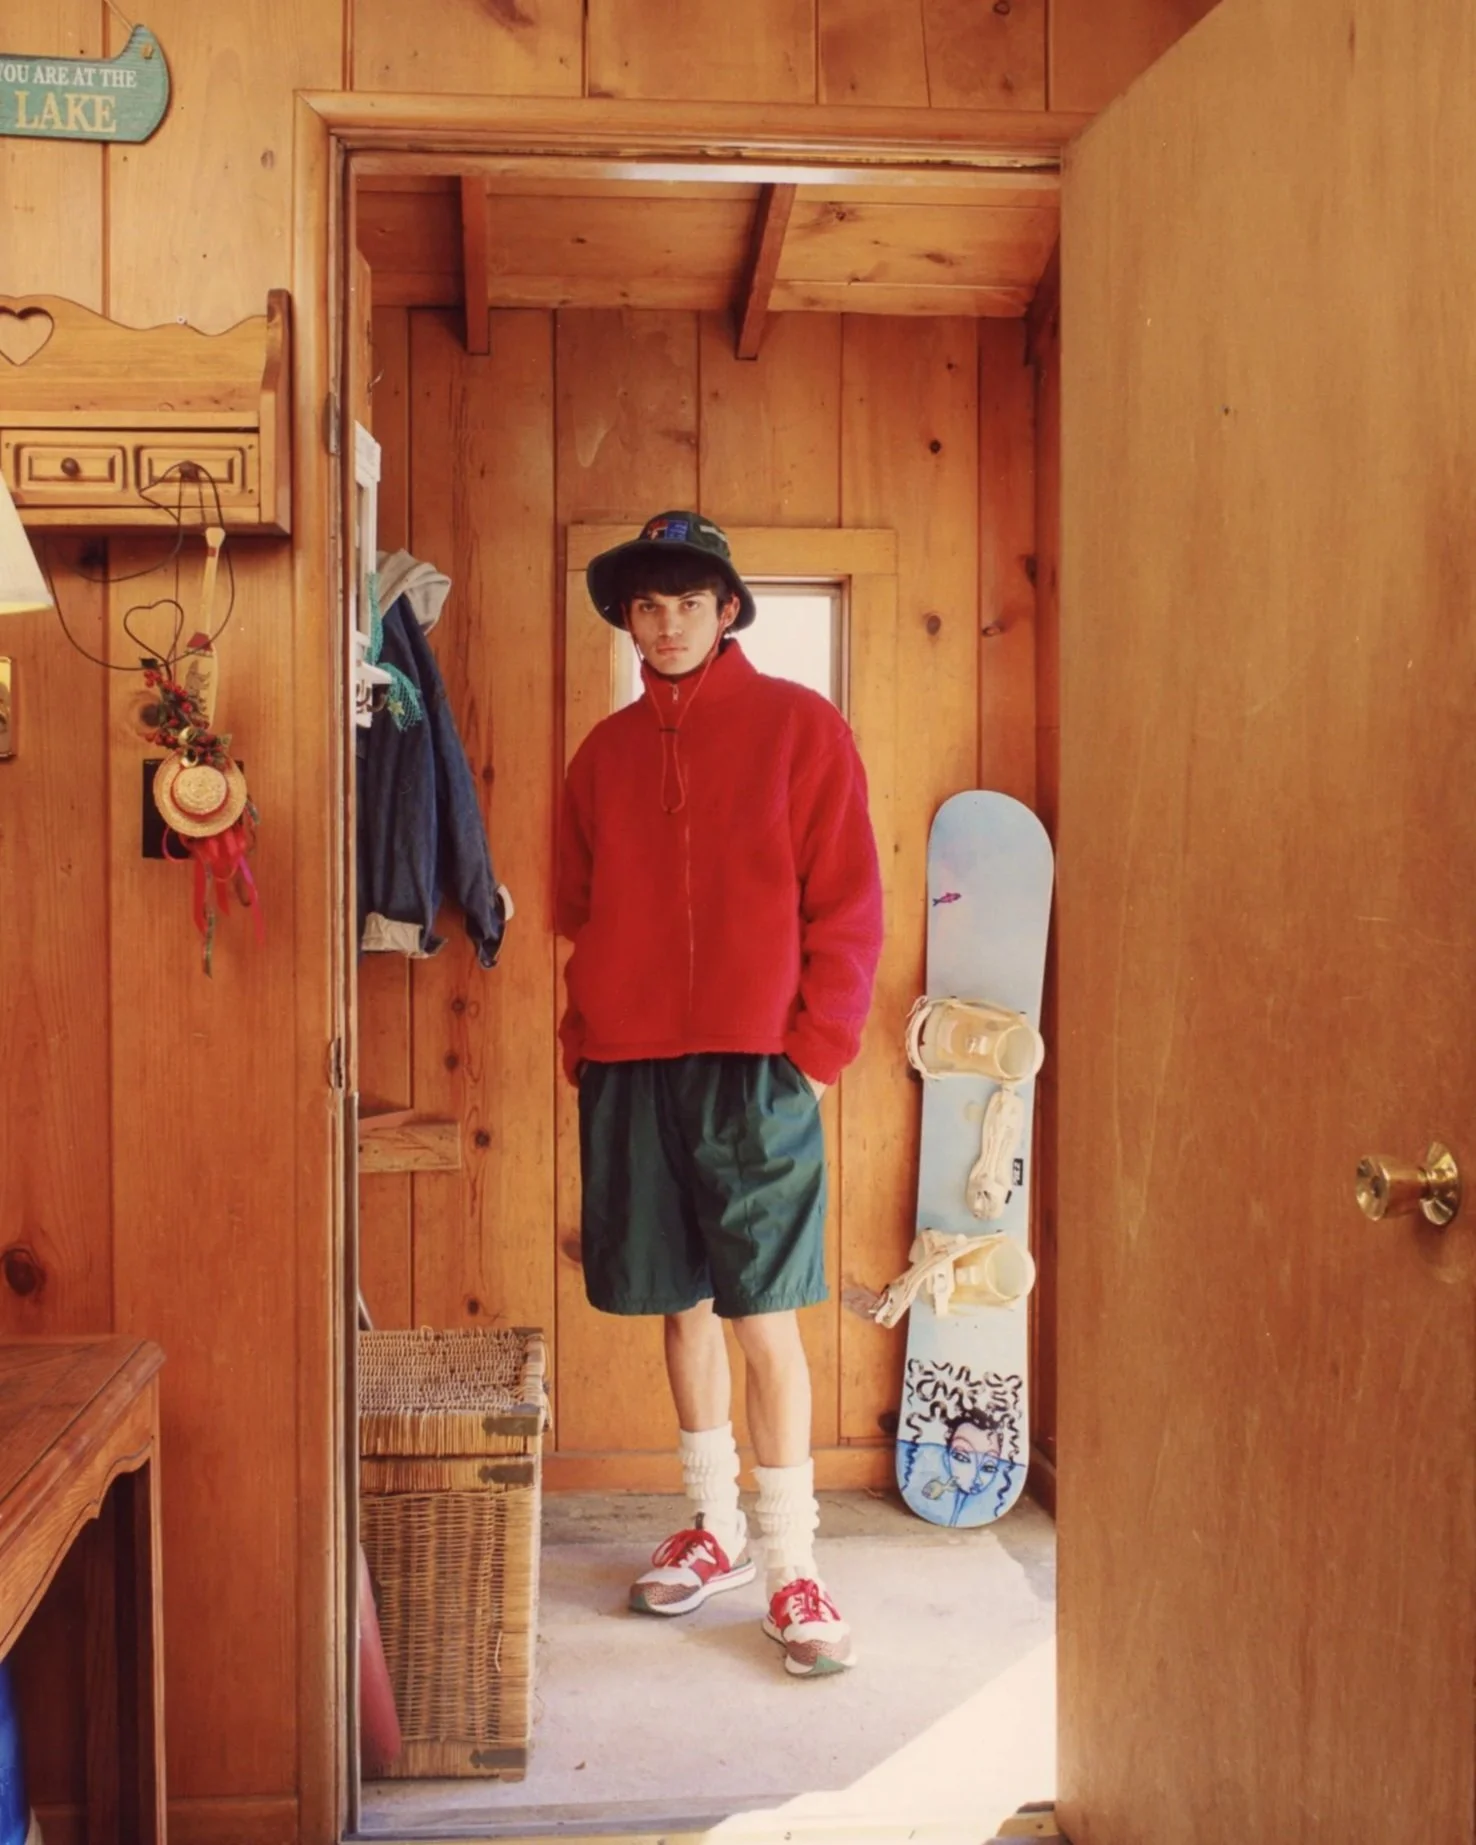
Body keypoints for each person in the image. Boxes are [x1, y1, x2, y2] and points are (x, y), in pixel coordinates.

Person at [556, 510, 883, 1677]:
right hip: (630, 1064)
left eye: (690, 602)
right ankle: (715, 1528)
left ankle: (792, 1563)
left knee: (762, 1315)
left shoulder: (803, 727)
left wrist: (816, 1052)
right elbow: (576, 909)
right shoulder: (602, 755)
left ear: (728, 609)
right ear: (627, 620)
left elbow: (848, 900)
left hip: (758, 1065)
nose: (668, 622)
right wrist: (585, 1039)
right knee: (680, 1306)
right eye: (648, 605)